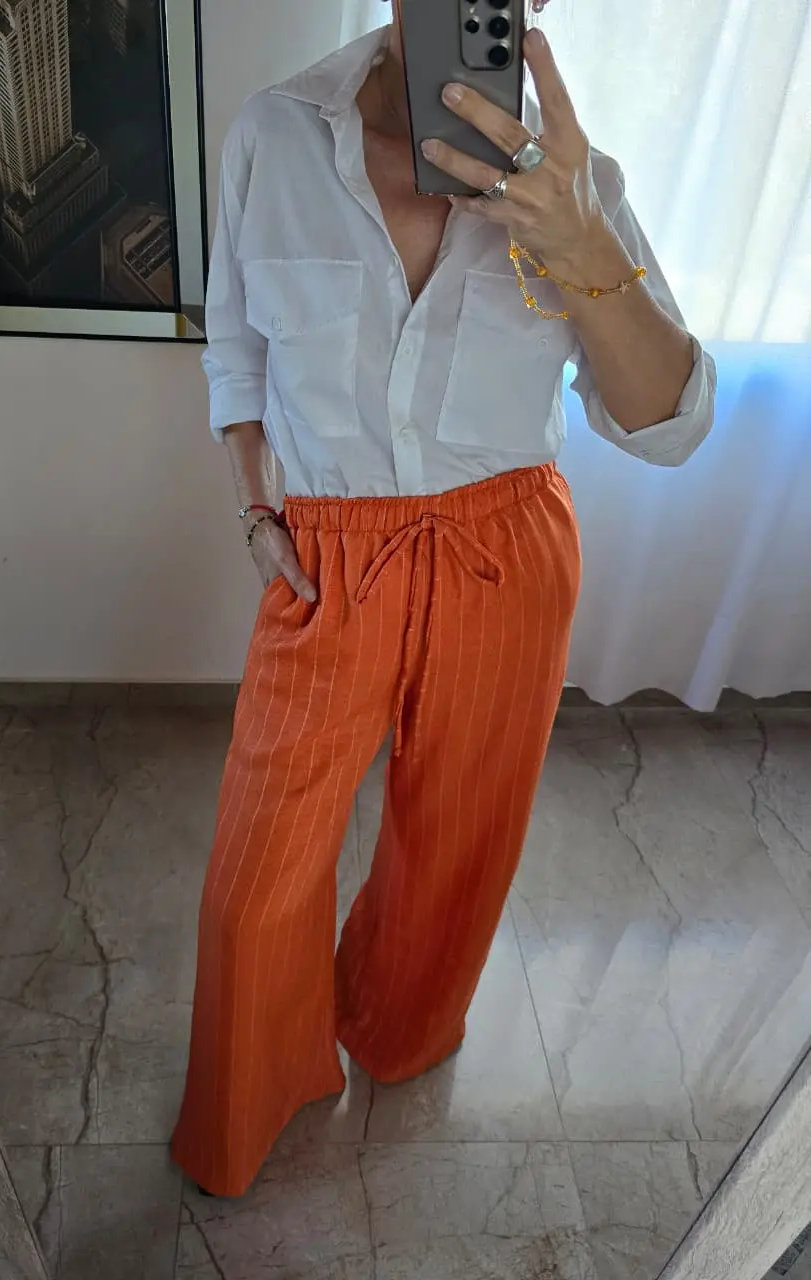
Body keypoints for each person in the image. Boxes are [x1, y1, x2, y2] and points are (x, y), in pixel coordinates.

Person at [171, 0, 717, 1198]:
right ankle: (254, 1094)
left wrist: (578, 239)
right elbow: (237, 350)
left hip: (503, 548)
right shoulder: (274, 134)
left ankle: (400, 1023)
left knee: (458, 839)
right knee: (258, 873)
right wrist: (258, 511)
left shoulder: (579, 185)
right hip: (331, 554)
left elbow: (668, 423)